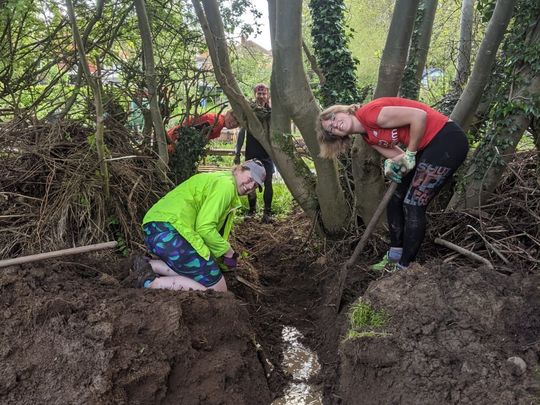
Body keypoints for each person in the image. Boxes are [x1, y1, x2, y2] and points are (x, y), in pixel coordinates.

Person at [316, 97, 469, 271]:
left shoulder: (370, 114)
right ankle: (395, 256)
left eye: (334, 118)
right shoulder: (368, 137)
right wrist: (391, 165)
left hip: (447, 140)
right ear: (337, 137)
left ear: (343, 110)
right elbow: (397, 157)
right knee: (395, 199)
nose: (335, 125)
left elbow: (419, 116)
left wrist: (410, 155)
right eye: (331, 129)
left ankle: (404, 267)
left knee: (414, 204)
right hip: (426, 148)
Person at [130, 159, 267, 291]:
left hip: (156, 227)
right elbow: (205, 228)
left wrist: (219, 261)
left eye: (255, 185)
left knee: (200, 273)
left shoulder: (222, 180)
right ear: (239, 169)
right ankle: (150, 283)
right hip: (171, 231)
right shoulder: (226, 186)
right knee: (218, 289)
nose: (250, 187)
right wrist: (228, 251)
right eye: (250, 179)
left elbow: (205, 233)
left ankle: (147, 266)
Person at [234, 83, 274, 222]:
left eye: (264, 94)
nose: (261, 96)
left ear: (267, 94)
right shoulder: (250, 111)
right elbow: (242, 131)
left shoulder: (271, 112)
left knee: (268, 182)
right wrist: (237, 153)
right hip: (252, 152)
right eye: (259, 93)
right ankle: (252, 212)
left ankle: (267, 213)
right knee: (249, 180)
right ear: (255, 94)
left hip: (267, 153)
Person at [167, 110, 239, 153]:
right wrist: (174, 146)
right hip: (173, 141)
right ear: (228, 112)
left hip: (174, 139)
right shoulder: (218, 122)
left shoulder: (218, 120)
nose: (235, 123)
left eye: (238, 123)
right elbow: (190, 134)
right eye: (235, 117)